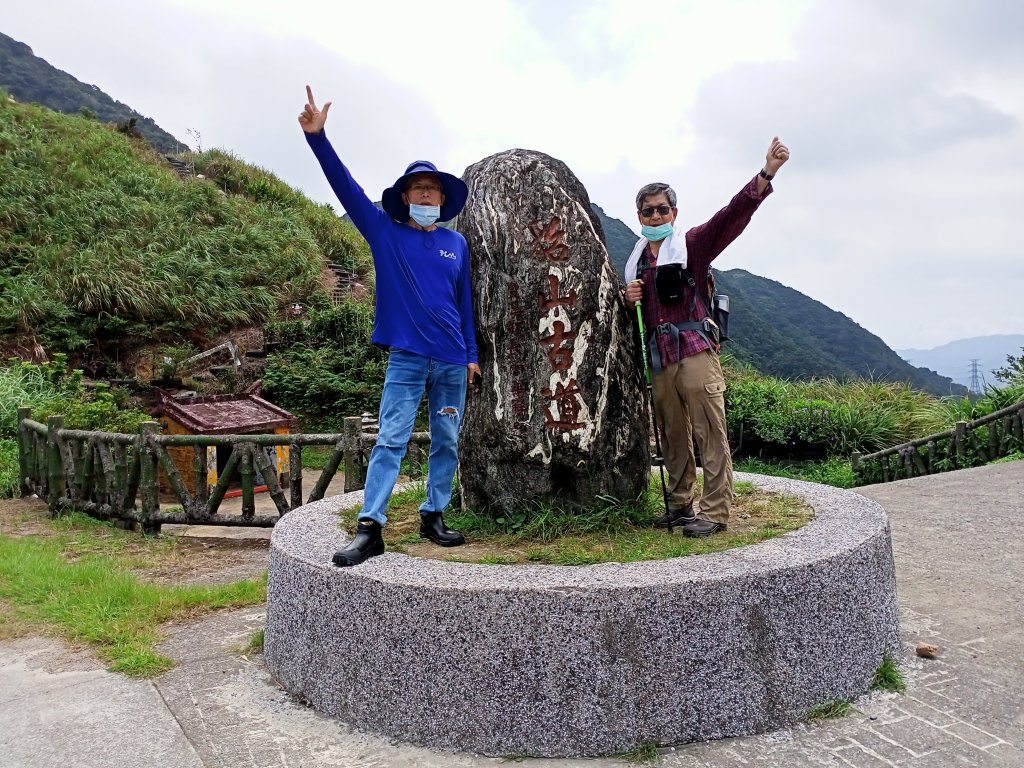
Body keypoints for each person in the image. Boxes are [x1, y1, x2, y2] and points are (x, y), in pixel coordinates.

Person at [298, 86, 482, 566]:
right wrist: (319, 139)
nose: (426, 195)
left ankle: (433, 514)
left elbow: (464, 303)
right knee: (391, 439)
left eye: (433, 190)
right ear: (406, 197)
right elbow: (347, 189)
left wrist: (471, 356)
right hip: (405, 357)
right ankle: (370, 526)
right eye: (419, 189)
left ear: (443, 198)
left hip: (450, 360)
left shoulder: (455, 245)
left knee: (446, 438)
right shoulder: (384, 231)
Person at [624, 137, 790, 537]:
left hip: (696, 350)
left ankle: (715, 512)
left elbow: (731, 216)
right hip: (660, 357)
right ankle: (681, 503)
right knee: (672, 433)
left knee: (710, 431)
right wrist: (627, 298)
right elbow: (637, 314)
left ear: (674, 212)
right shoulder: (636, 261)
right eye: (648, 211)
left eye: (662, 208)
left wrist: (766, 174)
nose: (655, 215)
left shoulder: (692, 244)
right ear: (639, 216)